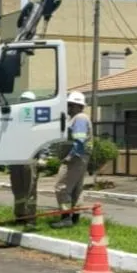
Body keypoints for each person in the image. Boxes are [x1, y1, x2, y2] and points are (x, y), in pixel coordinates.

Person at [53, 91, 91, 227]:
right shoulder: (78, 118)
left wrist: (69, 157)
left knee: (61, 187)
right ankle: (74, 218)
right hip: (80, 158)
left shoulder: (79, 118)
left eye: (69, 105)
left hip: (74, 158)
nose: (67, 108)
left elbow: (79, 140)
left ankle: (66, 218)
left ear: (76, 106)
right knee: (76, 189)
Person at [9, 91, 39, 225]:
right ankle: (20, 215)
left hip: (30, 158)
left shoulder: (36, 119)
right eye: (22, 100)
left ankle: (30, 218)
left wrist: (43, 156)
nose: (24, 102)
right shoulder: (15, 118)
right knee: (17, 189)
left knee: (29, 189)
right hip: (15, 158)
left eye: (26, 100)